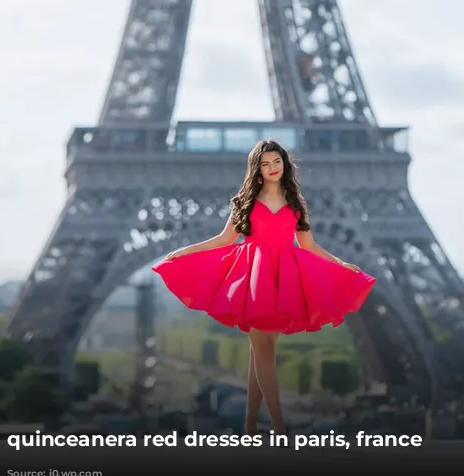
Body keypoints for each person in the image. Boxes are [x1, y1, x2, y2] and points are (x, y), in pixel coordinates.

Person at [152, 139, 376, 437]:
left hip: (283, 275)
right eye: (265, 163)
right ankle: (278, 423)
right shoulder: (246, 200)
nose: (272, 168)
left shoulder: (295, 202)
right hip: (253, 274)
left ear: (285, 164)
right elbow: (224, 240)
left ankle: (250, 420)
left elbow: (308, 245)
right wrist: (186, 251)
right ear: (257, 169)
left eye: (277, 162)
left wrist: (339, 262)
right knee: (263, 347)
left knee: (261, 349)